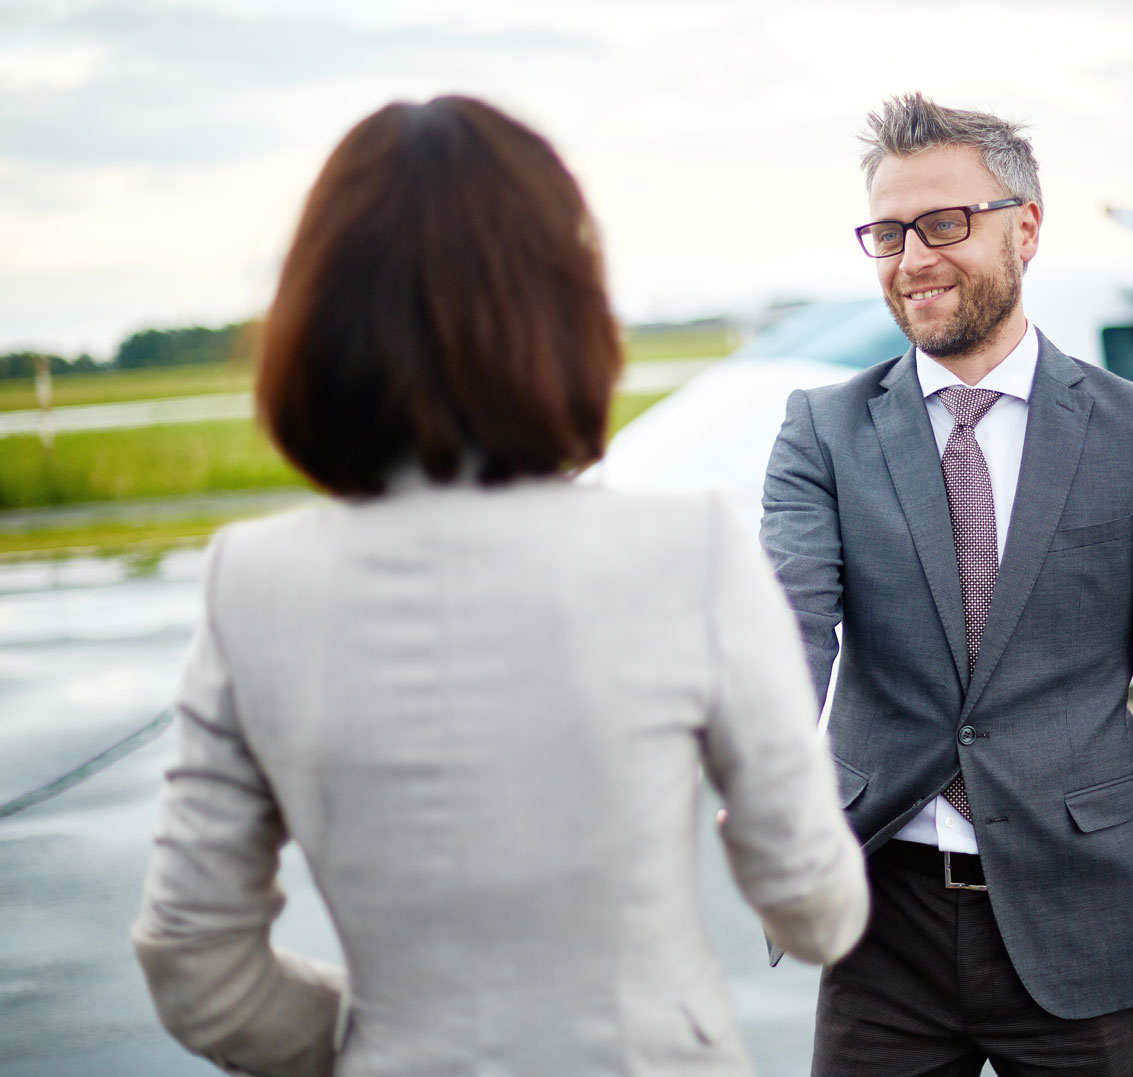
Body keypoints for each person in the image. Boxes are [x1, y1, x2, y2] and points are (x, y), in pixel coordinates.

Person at [131, 95, 868, 1076]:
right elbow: (816, 910)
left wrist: (379, 1042)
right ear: (566, 307)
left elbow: (194, 962)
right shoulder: (687, 551)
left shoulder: (250, 582)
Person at [759, 93, 1133, 1077]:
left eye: (944, 224)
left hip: (1084, 917)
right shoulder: (822, 432)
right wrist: (761, 761)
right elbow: (788, 622)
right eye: (887, 232)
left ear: (1024, 227)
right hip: (884, 930)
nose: (912, 259)